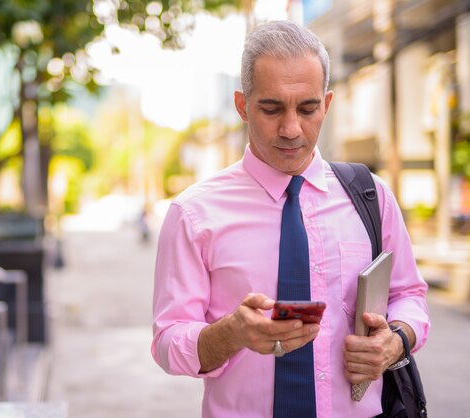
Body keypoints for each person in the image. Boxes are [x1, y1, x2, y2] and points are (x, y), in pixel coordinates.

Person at [151, 20, 430, 418]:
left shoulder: (372, 197)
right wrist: (231, 334)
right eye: (271, 108)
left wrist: (395, 342)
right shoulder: (194, 214)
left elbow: (409, 295)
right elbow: (167, 341)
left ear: (327, 104)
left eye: (308, 108)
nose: (291, 128)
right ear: (243, 106)